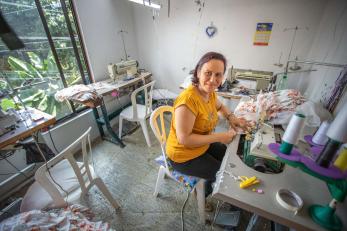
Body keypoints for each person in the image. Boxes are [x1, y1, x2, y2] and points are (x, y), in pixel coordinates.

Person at [166, 51, 250, 196]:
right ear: (198, 72)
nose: (212, 80)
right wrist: (220, 137)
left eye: (218, 75)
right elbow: (185, 139)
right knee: (224, 174)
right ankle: (205, 192)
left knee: (230, 158)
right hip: (183, 156)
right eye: (208, 73)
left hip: (201, 145)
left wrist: (232, 118)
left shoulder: (209, 93)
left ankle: (209, 184)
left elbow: (220, 107)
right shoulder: (188, 100)